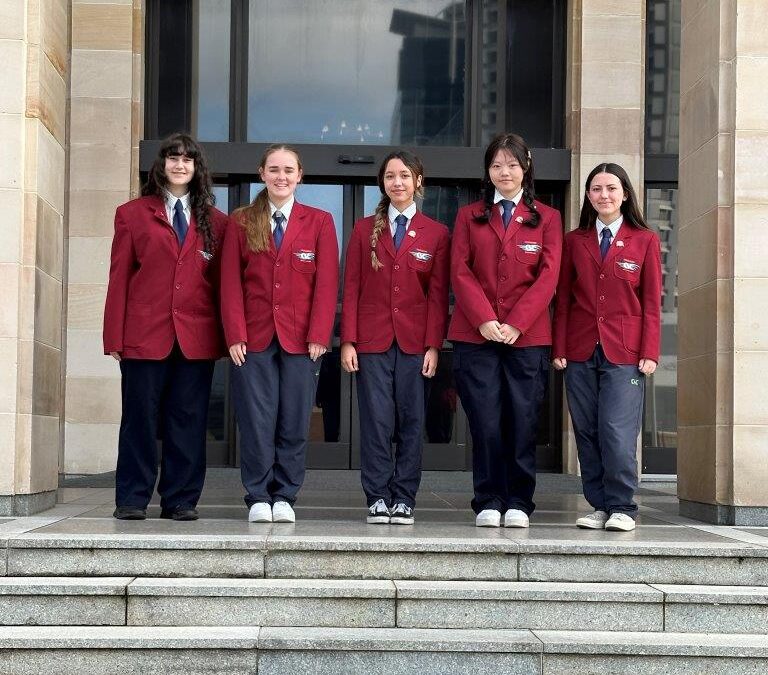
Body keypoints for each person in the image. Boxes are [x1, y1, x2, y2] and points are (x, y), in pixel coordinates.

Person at [103, 133, 228, 521]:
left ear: (197, 169)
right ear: (161, 166)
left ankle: (180, 499)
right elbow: (119, 276)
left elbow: (222, 286)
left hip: (196, 338)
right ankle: (132, 498)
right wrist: (114, 336)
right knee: (139, 416)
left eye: (187, 160)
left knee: (188, 420)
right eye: (173, 158)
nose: (180, 165)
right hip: (144, 335)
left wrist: (227, 338)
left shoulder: (217, 223)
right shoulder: (132, 213)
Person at [220, 144, 339, 523]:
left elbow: (326, 285)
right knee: (256, 420)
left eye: (289, 170)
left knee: (294, 418)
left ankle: (285, 494)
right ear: (261, 173)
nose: (281, 176)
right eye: (274, 169)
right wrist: (235, 333)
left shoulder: (319, 221)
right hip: (252, 339)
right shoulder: (241, 221)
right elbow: (229, 284)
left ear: (300, 175)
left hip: (303, 341)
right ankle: (257, 494)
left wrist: (321, 333)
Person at [449, 133, 562, 529]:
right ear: (488, 171)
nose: (504, 172)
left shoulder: (547, 217)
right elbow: (459, 271)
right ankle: (488, 499)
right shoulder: (468, 216)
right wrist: (483, 317)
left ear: (525, 167)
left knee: (522, 418)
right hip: (475, 334)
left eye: (511, 165)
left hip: (526, 337)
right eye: (497, 165)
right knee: (485, 420)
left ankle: (518, 499)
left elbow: (548, 276)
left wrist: (516, 322)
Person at [340, 151, 449, 525]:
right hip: (372, 343)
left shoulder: (437, 233)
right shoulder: (362, 230)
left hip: (416, 345)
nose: (397, 182)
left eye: (405, 175)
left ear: (419, 181)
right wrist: (348, 340)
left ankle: (404, 497)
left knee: (411, 422)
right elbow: (350, 288)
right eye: (390, 176)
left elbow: (438, 296)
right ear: (383, 183)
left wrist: (434, 344)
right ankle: (378, 496)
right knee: (377, 422)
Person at [553, 163, 661, 532]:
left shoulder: (644, 240)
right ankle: (599, 505)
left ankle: (623, 507)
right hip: (580, 349)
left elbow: (651, 303)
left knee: (616, 430)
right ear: (587, 196)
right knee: (587, 430)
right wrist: (560, 346)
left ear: (625, 194)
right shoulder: (573, 241)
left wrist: (650, 351)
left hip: (625, 351)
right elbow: (563, 300)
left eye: (611, 188)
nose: (604, 195)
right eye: (596, 189)